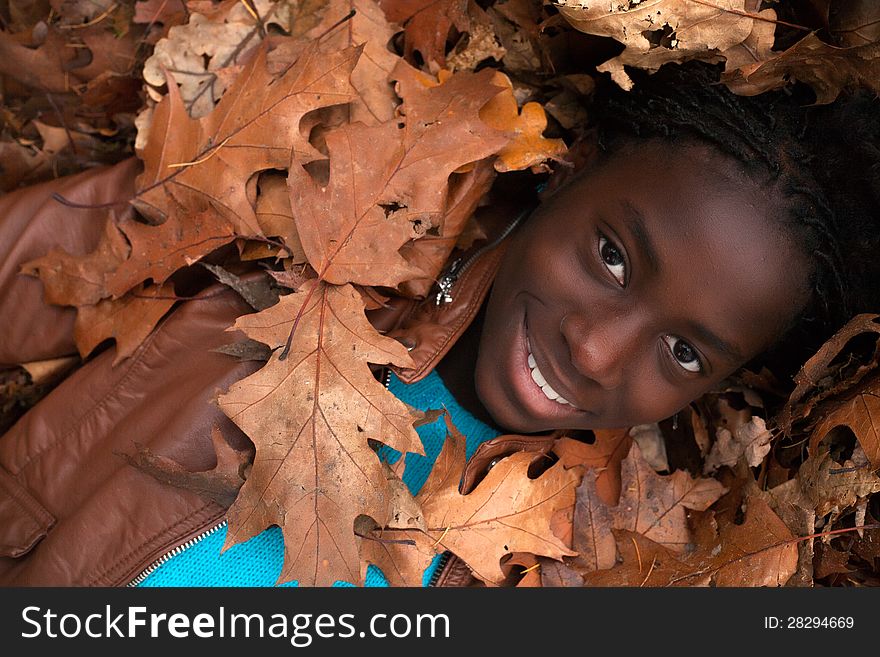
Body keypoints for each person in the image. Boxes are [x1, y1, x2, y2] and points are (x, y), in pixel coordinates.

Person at [0, 61, 877, 586]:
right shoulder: (317, 223)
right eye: (612, 257)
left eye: (683, 351)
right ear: (565, 172)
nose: (597, 347)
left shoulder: (586, 566)